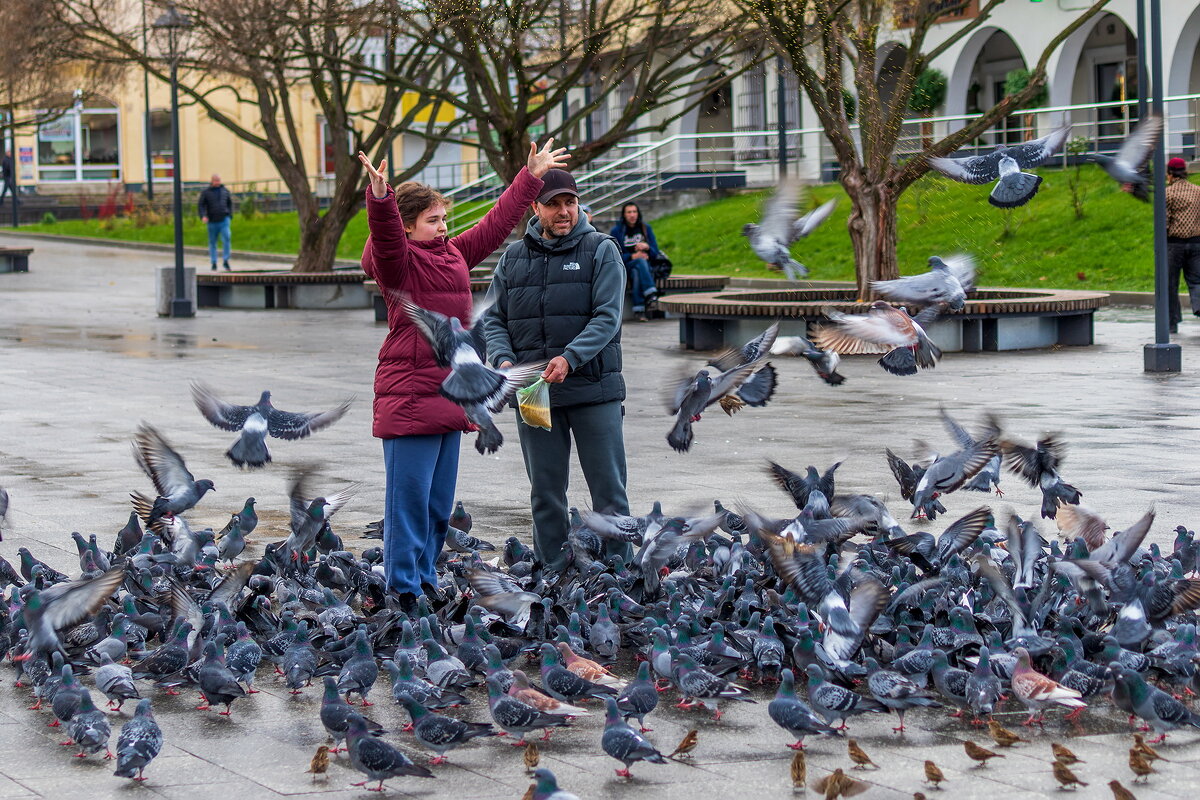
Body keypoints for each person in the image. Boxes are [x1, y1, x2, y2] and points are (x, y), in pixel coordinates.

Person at [358, 140, 568, 613]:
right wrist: (380, 196)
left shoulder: (452, 254)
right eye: (433, 220)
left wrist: (529, 177)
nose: (444, 227)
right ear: (409, 226)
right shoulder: (401, 262)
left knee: (437, 507)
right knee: (407, 505)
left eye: (444, 219)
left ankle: (426, 578)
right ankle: (403, 589)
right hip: (409, 396)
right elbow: (386, 239)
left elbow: (496, 225)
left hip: (453, 396)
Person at [482, 169, 631, 571]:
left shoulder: (602, 250)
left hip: (593, 390)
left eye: (570, 202)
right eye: (553, 204)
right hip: (533, 393)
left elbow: (607, 317)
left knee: (609, 494)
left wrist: (570, 357)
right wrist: (502, 360)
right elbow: (492, 319)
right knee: (545, 493)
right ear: (535, 207)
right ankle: (551, 574)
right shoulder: (513, 259)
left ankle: (621, 576)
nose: (563, 211)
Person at [610, 202, 662, 321]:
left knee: (637, 271)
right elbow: (615, 256)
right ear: (624, 215)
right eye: (629, 212)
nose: (632, 215)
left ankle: (639, 310)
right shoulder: (617, 231)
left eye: (634, 212)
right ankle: (650, 293)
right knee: (638, 263)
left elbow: (655, 253)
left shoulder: (645, 228)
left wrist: (647, 248)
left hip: (644, 267)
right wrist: (632, 256)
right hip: (625, 265)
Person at [1166, 157, 1200, 333]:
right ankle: (1199, 307)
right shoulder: (1198, 191)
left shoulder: (1168, 193)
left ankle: (1172, 323)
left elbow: (1164, 221)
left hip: (1174, 245)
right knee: (1196, 281)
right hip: (1196, 243)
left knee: (1170, 284)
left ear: (1170, 173)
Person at [198, 174, 234, 271]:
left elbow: (229, 203)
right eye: (216, 180)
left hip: (224, 219)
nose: (218, 182)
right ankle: (214, 262)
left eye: (219, 180)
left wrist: (230, 215)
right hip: (212, 220)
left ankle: (226, 260)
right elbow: (201, 205)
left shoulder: (225, 191)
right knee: (212, 242)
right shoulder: (206, 193)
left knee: (227, 238)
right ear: (212, 181)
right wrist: (203, 216)